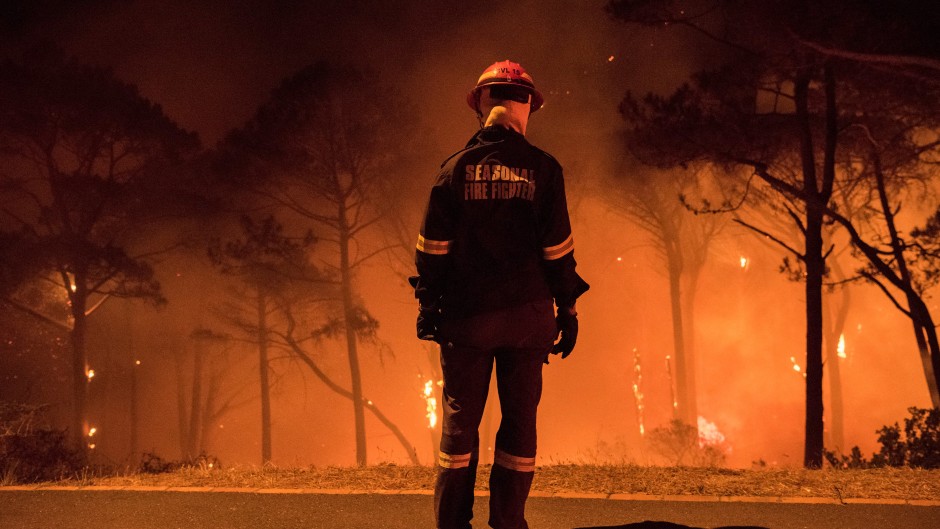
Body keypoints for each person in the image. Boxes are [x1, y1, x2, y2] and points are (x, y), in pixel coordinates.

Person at [410, 59, 589, 529]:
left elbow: (432, 249)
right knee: (519, 426)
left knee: (459, 429)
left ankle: (452, 524)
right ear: (527, 106)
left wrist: (429, 305)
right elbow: (558, 250)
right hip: (528, 318)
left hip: (467, 318)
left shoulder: (454, 170)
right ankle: (509, 523)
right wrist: (567, 306)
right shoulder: (545, 170)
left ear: (480, 105)